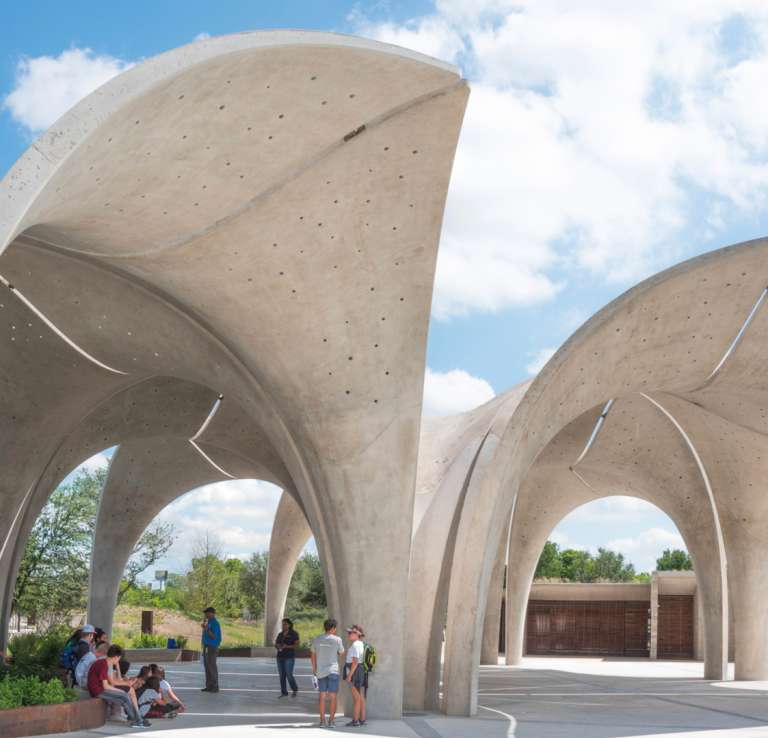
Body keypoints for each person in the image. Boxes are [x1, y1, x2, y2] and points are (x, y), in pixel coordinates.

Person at [87, 644, 148, 728]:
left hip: (100, 688)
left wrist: (122, 689)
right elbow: (106, 686)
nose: (119, 660)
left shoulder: (104, 663)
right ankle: (138, 721)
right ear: (116, 657)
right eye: (119, 658)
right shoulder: (103, 665)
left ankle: (138, 719)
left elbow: (110, 683)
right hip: (97, 691)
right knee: (124, 696)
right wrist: (121, 691)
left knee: (124, 696)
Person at [310, 618, 345, 728]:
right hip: (333, 671)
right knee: (333, 697)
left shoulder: (317, 639)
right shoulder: (337, 640)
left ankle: (322, 721)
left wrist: (314, 668)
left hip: (321, 671)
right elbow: (341, 652)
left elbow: (312, 655)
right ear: (333, 628)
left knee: (322, 697)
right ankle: (331, 721)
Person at [344, 625, 367, 727]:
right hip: (360, 671)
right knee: (360, 697)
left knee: (356, 698)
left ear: (357, 634)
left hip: (355, 672)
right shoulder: (361, 644)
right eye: (348, 632)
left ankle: (355, 720)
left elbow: (355, 662)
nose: (349, 634)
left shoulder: (355, 645)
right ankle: (362, 719)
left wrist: (349, 675)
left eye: (351, 633)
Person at [275, 617, 300, 698]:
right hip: (280, 657)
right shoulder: (280, 634)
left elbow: (297, 646)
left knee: (289, 674)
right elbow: (276, 643)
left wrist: (287, 646)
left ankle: (295, 689)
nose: (283, 626)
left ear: (289, 625)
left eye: (285, 624)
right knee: (282, 675)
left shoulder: (294, 634)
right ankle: (284, 692)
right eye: (282, 624)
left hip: (289, 657)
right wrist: (277, 646)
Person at [201, 606, 222, 693]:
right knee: (207, 666)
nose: (205, 614)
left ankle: (215, 686)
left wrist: (206, 629)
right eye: (205, 613)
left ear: (212, 613)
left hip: (212, 647)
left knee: (212, 666)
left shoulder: (215, 623)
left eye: (207, 612)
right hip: (206, 647)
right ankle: (209, 686)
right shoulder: (208, 622)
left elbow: (214, 636)